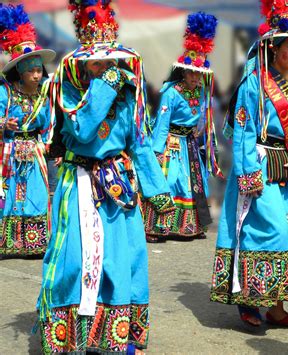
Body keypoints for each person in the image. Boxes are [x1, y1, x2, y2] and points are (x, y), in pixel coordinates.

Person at [37, 1, 174, 353]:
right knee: (76, 260)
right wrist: (108, 84)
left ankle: (117, 334)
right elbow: (82, 130)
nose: (104, 68)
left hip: (117, 187)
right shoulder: (67, 92)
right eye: (97, 63)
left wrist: (158, 191)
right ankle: (72, 337)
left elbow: (140, 145)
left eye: (109, 62)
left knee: (123, 258)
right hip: (78, 184)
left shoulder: (129, 96)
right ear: (83, 63)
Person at [210, 0, 288, 328]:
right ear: (273, 49)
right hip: (259, 167)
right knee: (267, 233)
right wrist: (249, 175)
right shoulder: (253, 86)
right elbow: (243, 134)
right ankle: (248, 297)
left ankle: (275, 307)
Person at [143, 12, 221, 242]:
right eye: (192, 73)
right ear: (183, 71)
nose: (196, 77)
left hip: (190, 145)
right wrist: (157, 150)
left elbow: (202, 117)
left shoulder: (201, 91)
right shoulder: (171, 93)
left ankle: (189, 226)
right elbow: (163, 123)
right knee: (170, 180)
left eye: (200, 74)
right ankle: (158, 226)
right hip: (172, 145)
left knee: (193, 183)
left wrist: (200, 134)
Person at [0, 4, 55, 257]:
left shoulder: (45, 96)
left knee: (36, 192)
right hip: (9, 153)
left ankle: (35, 242)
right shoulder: (5, 93)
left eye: (38, 70)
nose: (36, 75)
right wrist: (3, 125)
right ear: (19, 73)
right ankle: (8, 242)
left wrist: (44, 143)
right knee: (11, 194)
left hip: (34, 153)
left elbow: (48, 125)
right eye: (30, 70)